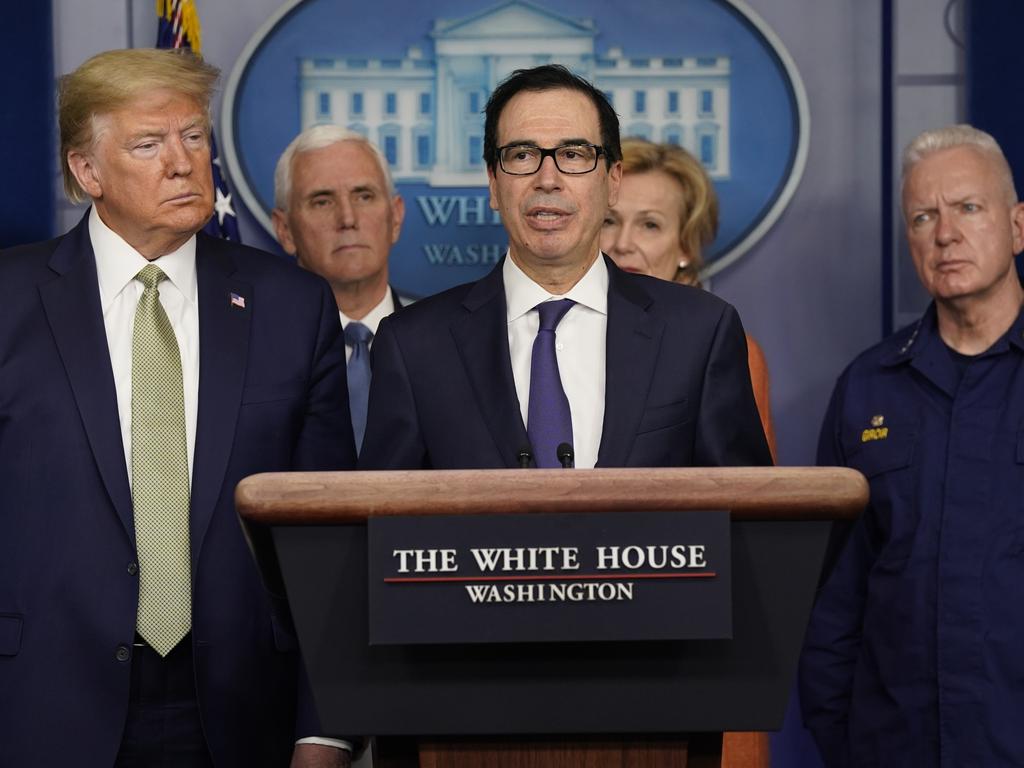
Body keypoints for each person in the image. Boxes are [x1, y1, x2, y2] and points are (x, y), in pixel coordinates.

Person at [0, 48, 355, 768]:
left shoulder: (291, 305)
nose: (183, 162)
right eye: (148, 144)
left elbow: (331, 538)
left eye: (194, 137)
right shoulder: (6, 301)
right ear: (86, 172)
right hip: (39, 703)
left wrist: (326, 727)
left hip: (242, 709)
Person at [358, 64, 771, 471]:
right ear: (493, 184)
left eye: (573, 154)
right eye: (522, 155)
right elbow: (384, 523)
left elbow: (744, 516)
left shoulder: (700, 331)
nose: (548, 178)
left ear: (612, 180)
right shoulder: (413, 346)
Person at [799, 124, 1024, 767]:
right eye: (923, 216)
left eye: (968, 208)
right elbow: (831, 596)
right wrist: (841, 740)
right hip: (892, 747)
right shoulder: (868, 387)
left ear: (1017, 227)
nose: (945, 233)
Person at [601, 138, 778, 460]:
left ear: (685, 246)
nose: (623, 243)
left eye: (649, 225)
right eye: (609, 221)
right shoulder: (550, 334)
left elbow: (752, 495)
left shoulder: (722, 350)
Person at [273, 127, 406, 451]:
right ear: (285, 230)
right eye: (322, 201)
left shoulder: (446, 351)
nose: (347, 218)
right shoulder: (255, 357)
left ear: (396, 217)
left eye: (364, 196)